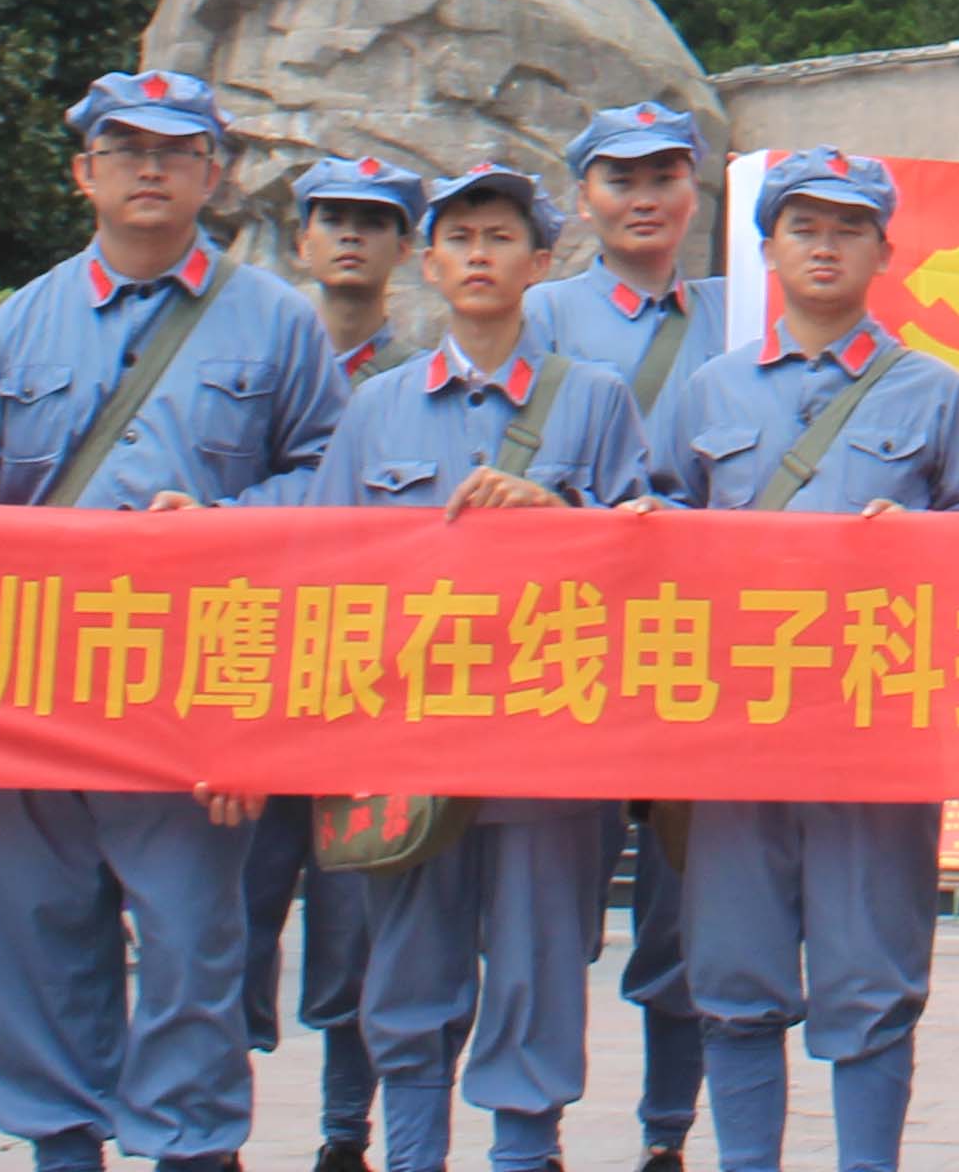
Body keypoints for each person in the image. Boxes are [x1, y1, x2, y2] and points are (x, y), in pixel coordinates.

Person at [0, 68, 347, 1172]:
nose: (149, 169)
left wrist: (222, 521)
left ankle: (191, 1148)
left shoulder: (277, 323)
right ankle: (61, 1143)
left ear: (215, 172)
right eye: (124, 149)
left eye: (175, 149)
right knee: (37, 933)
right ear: (83, 174)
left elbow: (335, 485)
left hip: (197, 686)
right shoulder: (17, 326)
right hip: (41, 685)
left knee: (196, 943)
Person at [657, 146, 959, 1172]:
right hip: (738, 732)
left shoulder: (934, 393)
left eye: (848, 227)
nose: (824, 245)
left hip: (875, 729)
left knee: (872, 980)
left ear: (884, 252)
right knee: (732, 977)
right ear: (767, 248)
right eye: (803, 226)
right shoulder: (710, 391)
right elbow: (658, 526)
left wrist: (927, 539)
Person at [302, 164, 656, 1172]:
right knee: (408, 970)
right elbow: (324, 573)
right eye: (458, 239)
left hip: (549, 749)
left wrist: (561, 518)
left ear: (540, 263)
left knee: (539, 968)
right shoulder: (374, 408)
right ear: (428, 261)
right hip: (409, 739)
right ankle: (411, 1151)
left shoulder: (593, 402)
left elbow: (647, 555)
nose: (478, 257)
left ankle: (523, 1150)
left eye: (500, 238)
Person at [524, 99, 730, 1172]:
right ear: (584, 199)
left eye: (663, 176)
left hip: (703, 649)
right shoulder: (546, 315)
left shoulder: (743, 311)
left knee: (684, 912)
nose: (644, 197)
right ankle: (539, 1126)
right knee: (551, 905)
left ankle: (666, 1135)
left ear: (694, 191)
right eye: (620, 179)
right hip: (574, 644)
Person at [243, 158, 424, 1172]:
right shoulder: (258, 358)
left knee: (359, 924)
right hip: (249, 678)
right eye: (331, 219)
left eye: (376, 221)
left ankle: (343, 1136)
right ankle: (211, 1121)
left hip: (367, 692)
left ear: (407, 249)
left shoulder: (427, 380)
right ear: (301, 239)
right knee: (226, 916)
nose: (351, 236)